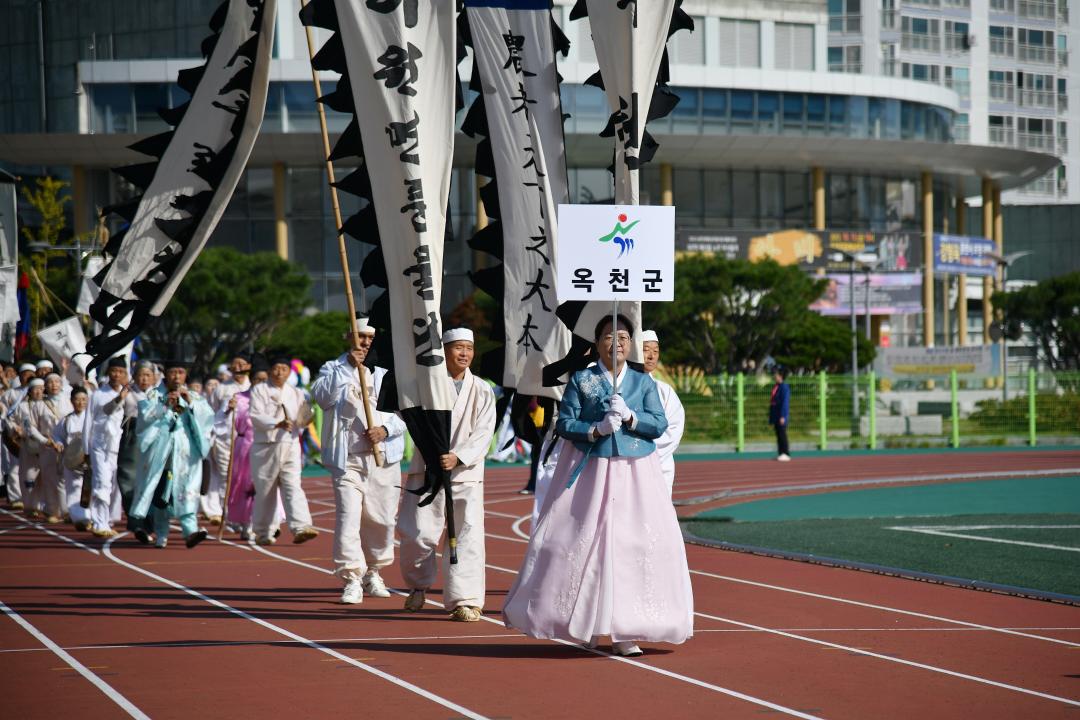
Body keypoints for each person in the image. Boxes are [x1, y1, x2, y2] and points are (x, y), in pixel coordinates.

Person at [503, 315, 693, 657]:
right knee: (581, 541)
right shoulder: (583, 378)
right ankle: (586, 625)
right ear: (597, 343)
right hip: (592, 469)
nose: (616, 343)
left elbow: (659, 423)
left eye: (622, 337)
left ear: (630, 344)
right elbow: (566, 422)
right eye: (608, 336)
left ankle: (627, 629)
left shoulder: (642, 382)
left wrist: (632, 418)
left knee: (632, 545)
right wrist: (596, 429)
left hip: (636, 471)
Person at [398, 328, 496, 622]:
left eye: (469, 348)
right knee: (418, 534)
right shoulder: (427, 385)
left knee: (467, 536)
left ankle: (465, 599)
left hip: (465, 473)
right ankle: (418, 585)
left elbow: (484, 430)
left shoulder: (481, 389)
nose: (464, 353)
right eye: (458, 348)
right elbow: (410, 419)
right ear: (445, 351)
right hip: (428, 469)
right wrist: (435, 452)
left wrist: (459, 456)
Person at [312, 317, 407, 604]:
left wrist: (385, 430)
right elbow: (322, 398)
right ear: (348, 337)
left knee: (381, 520)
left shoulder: (387, 372)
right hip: (348, 460)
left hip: (383, 461)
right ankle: (352, 576)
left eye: (369, 337)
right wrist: (347, 368)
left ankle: (374, 571)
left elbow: (405, 412)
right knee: (348, 517)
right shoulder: (332, 369)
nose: (364, 342)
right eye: (359, 336)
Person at [129, 360, 215, 548]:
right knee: (163, 491)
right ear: (165, 375)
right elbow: (145, 418)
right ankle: (161, 533)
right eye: (173, 372)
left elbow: (208, 418)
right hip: (162, 452)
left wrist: (190, 404)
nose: (177, 377)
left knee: (188, 490)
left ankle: (190, 531)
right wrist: (165, 406)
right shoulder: (154, 395)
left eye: (181, 372)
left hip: (186, 452)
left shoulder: (193, 396)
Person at [249, 355, 318, 546]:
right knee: (265, 491)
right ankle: (263, 531)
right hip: (265, 447)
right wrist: (276, 423)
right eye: (276, 368)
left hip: (290, 445)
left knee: (293, 486)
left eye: (284, 368)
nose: (280, 372)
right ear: (270, 370)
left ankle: (301, 526)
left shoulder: (296, 393)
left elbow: (302, 419)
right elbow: (255, 416)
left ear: (290, 372)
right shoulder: (259, 390)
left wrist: (305, 420)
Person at [219, 357, 268, 539]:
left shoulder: (271, 399)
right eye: (257, 380)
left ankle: (266, 522)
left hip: (265, 447)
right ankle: (246, 523)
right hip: (244, 447)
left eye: (264, 380)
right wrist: (228, 411)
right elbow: (221, 424)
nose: (261, 384)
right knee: (245, 486)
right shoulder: (239, 398)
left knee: (264, 484)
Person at [83, 356, 130, 537]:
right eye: (114, 371)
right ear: (108, 372)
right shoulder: (97, 394)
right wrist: (86, 450)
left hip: (118, 445)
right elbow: (89, 421)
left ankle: (108, 519)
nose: (117, 375)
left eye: (120, 372)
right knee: (101, 482)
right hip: (99, 444)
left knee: (114, 484)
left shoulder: (128, 394)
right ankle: (99, 523)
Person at [206, 355, 253, 525]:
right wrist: (227, 410)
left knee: (247, 478)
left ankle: (246, 514)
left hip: (248, 441)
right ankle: (227, 512)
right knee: (227, 477)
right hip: (225, 440)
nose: (239, 367)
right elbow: (212, 413)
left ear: (249, 366)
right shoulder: (221, 389)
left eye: (242, 364)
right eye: (235, 364)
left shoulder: (253, 386)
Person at [641, 330, 686, 497]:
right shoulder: (623, 387)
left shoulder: (664, 390)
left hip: (661, 464)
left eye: (656, 350)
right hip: (629, 464)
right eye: (646, 349)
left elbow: (675, 427)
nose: (651, 356)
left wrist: (650, 453)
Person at [116, 361, 157, 536]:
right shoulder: (128, 393)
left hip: (155, 438)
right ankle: (135, 521)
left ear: (154, 377)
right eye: (141, 374)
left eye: (148, 375)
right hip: (132, 437)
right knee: (128, 480)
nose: (144, 378)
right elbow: (108, 411)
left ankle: (151, 522)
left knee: (152, 481)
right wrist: (120, 398)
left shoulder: (158, 394)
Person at [30, 373, 71, 523]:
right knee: (49, 478)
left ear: (61, 384)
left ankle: (67, 510)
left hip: (66, 446)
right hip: (47, 447)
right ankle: (52, 510)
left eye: (57, 381)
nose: (54, 385)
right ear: (45, 386)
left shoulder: (69, 401)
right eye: (50, 382)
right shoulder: (39, 405)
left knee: (65, 479)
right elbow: (31, 427)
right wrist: (44, 440)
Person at [52, 386, 90, 531]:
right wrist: (59, 444)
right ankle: (79, 519)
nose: (80, 403)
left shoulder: (91, 418)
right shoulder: (66, 420)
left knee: (88, 489)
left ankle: (89, 516)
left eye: (83, 399)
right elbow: (57, 435)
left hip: (88, 460)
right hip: (71, 460)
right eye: (77, 399)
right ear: (72, 401)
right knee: (73, 489)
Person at [12, 378, 45, 518]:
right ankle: (30, 505)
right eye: (35, 389)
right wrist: (16, 429)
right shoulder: (23, 406)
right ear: (30, 391)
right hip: (29, 445)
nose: (38, 392)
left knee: (46, 477)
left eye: (40, 388)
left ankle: (45, 506)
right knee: (29, 476)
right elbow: (17, 423)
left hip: (46, 446)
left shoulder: (47, 404)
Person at [769, 366, 791, 462]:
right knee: (778, 434)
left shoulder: (784, 387)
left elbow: (785, 403)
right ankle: (780, 453)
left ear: (781, 376)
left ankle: (785, 453)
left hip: (781, 415)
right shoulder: (776, 386)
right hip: (776, 414)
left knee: (782, 434)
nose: (774, 376)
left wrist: (783, 416)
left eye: (776, 375)